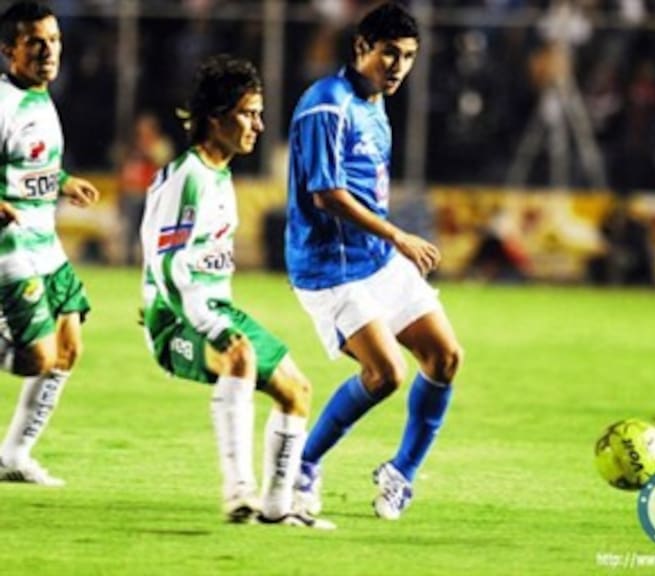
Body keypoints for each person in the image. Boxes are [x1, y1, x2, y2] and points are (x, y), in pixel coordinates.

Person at [285, 2, 463, 521]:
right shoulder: (327, 104)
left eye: (407, 56)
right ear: (361, 47)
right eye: (389, 53)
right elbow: (327, 195)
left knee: (445, 358)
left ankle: (401, 473)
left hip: (377, 260)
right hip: (329, 268)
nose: (398, 66)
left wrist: (390, 244)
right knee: (385, 373)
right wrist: (399, 236)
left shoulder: (375, 103)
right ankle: (303, 464)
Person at [140, 54, 334, 529]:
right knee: (241, 356)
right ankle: (238, 492)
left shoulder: (220, 174)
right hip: (176, 318)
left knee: (297, 392)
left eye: (259, 113)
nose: (259, 124)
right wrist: (207, 324)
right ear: (216, 116)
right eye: (248, 113)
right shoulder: (188, 176)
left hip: (214, 308)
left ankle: (276, 506)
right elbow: (167, 263)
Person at [0, 1, 100, 486]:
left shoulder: (41, 98)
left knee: (68, 346)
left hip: (46, 241)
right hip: (10, 246)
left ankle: (13, 457)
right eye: (35, 42)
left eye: (54, 40)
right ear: (8, 50)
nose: (48, 51)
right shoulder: (3, 102)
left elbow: (28, 163)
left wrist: (62, 181)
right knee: (36, 357)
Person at [117, 112, 173, 265]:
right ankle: (128, 259)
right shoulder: (132, 145)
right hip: (131, 192)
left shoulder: (160, 144)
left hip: (150, 194)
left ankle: (150, 260)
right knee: (130, 229)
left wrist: (147, 151)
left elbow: (163, 164)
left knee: (150, 229)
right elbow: (123, 167)